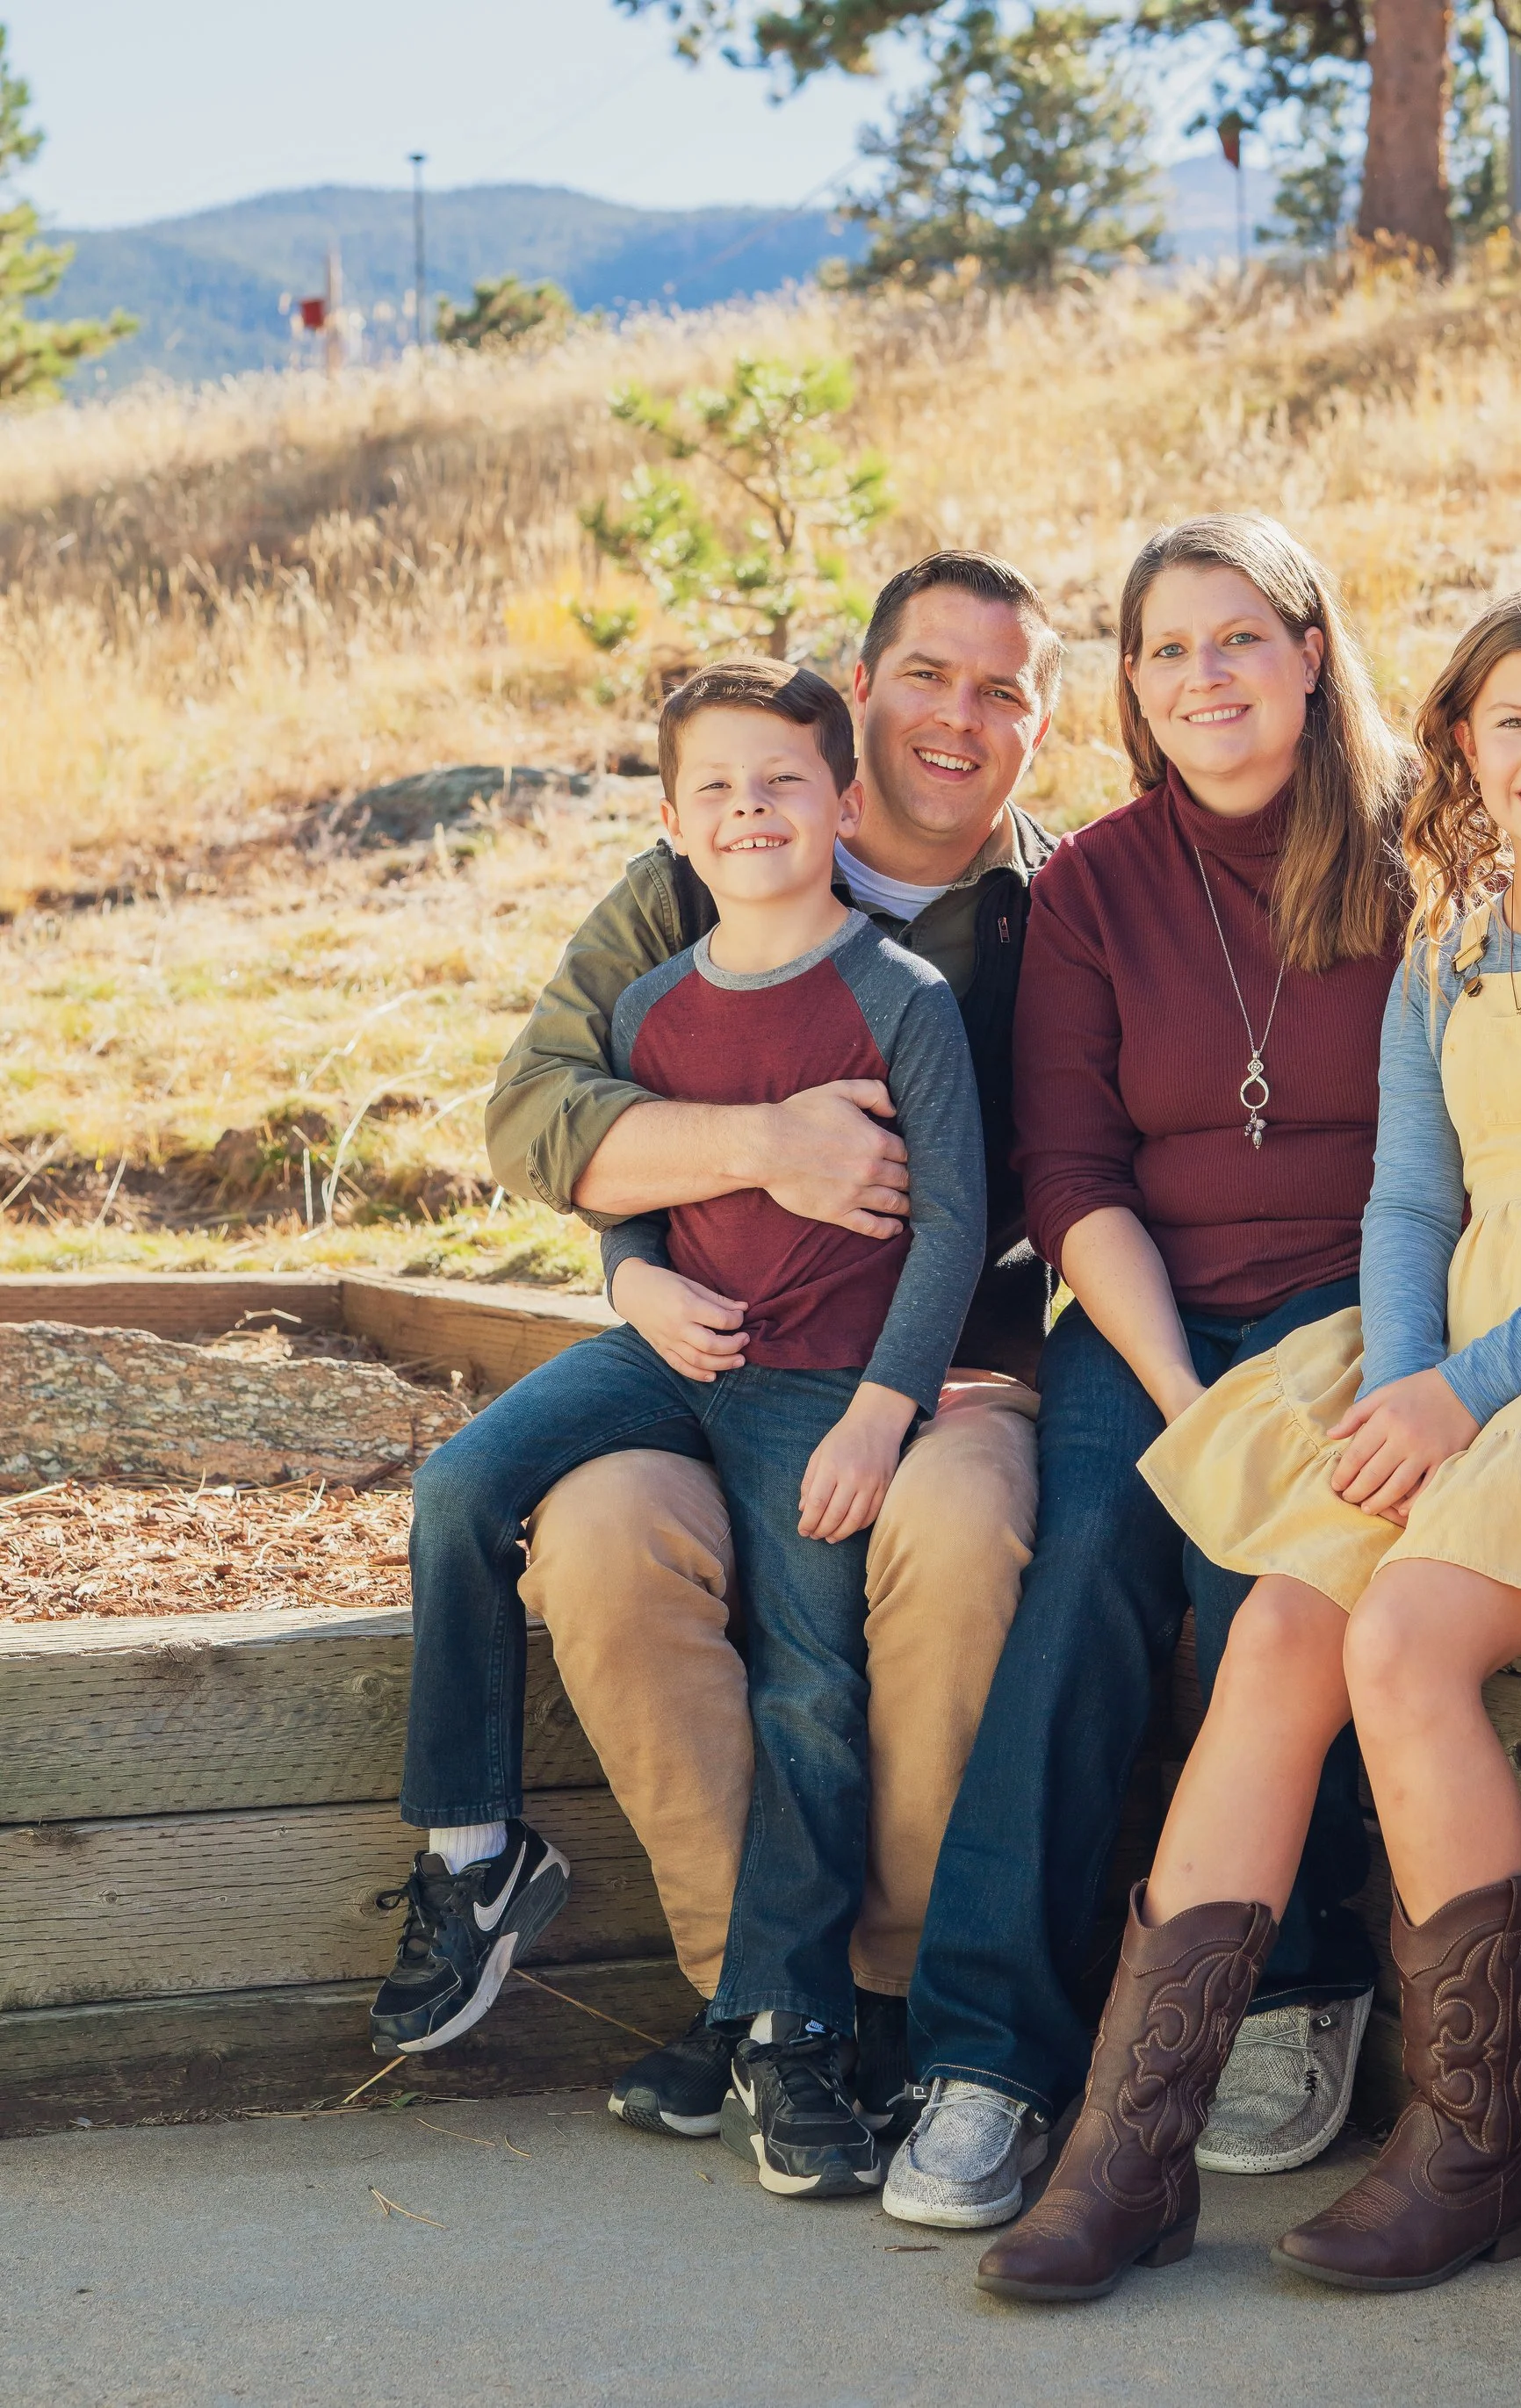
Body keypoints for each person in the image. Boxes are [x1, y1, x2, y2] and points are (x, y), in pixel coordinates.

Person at [974, 576, 1521, 2301]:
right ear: (1455, 739)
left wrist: (1468, 1387)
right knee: (1281, 1634)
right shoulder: (1442, 946)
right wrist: (1403, 1380)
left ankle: (1468, 2153)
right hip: (1459, 1338)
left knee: (1400, 1636)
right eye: (1509, 723)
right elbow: (1405, 1196)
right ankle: (1129, 2149)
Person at [374, 658, 987, 2203]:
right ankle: (471, 1846)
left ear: (843, 804)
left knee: (810, 1691)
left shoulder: (902, 997)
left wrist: (878, 1416)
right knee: (461, 1484)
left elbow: (956, 1231)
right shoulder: (651, 999)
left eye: (782, 782)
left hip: (814, 1392)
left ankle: (793, 2023)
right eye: (715, 789)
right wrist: (638, 1289)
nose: (750, 809)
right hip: (675, 1355)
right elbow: (615, 1181)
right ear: (669, 824)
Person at [481, 553, 1060, 2143]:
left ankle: (885, 1993)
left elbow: (1098, 1162)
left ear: (1042, 723)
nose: (959, 718)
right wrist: (739, 1162)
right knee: (596, 1541)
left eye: (1001, 690)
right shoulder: (717, 853)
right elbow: (538, 1113)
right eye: (927, 677)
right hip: (721, 1354)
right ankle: (754, 1991)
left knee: (948, 1530)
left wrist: (1023, 1357)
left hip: (947, 1369)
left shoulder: (1051, 912)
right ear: (859, 696)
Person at [883, 515, 1412, 2231]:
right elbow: (1072, 1173)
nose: (1205, 677)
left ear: (1311, 655)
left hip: (1362, 1298)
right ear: (1127, 681)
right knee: (1091, 1565)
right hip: (1145, 1312)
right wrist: (1188, 1405)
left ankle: (1288, 1979)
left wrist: (1328, 1390)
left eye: (1239, 638)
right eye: (1168, 649)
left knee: (1264, 1567)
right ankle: (984, 2058)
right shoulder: (1091, 886)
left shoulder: (1414, 856)